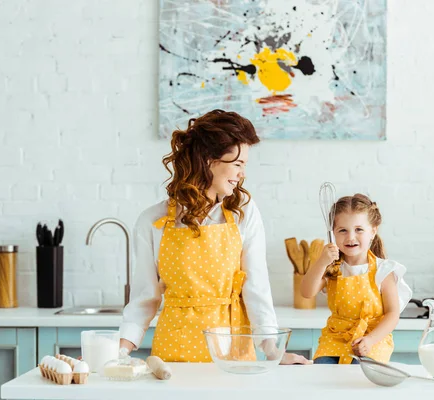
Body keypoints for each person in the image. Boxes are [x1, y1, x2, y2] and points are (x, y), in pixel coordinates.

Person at [119, 109, 310, 365]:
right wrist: (117, 353)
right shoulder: (153, 221)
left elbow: (256, 287)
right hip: (174, 356)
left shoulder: (243, 213)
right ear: (209, 160)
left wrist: (273, 351)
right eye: (237, 164)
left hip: (232, 354)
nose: (242, 174)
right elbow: (144, 298)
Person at [300, 193, 412, 364]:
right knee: (323, 373)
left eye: (359, 229)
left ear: (373, 231)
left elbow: (392, 314)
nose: (350, 237)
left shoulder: (383, 270)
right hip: (336, 338)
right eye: (342, 230)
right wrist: (321, 262)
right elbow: (306, 292)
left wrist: (370, 340)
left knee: (358, 378)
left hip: (372, 339)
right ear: (332, 234)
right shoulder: (332, 268)